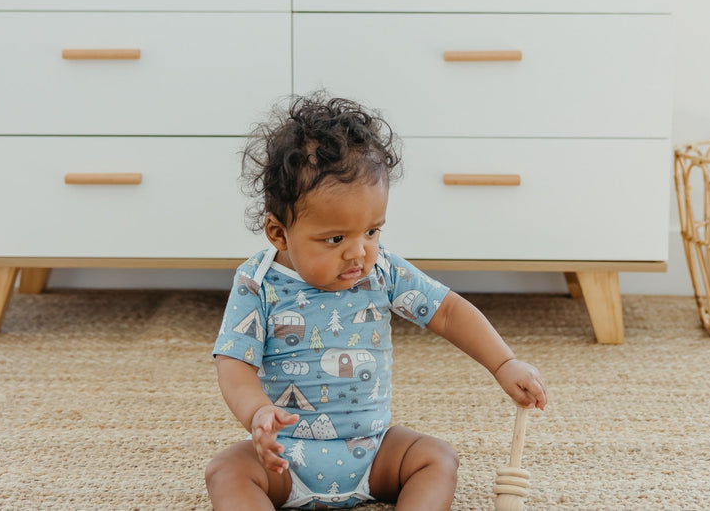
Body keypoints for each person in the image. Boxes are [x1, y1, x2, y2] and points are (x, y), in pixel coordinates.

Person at [205, 93, 547, 511]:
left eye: (371, 231)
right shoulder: (257, 283)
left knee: (437, 459)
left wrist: (503, 362)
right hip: (284, 459)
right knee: (225, 471)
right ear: (278, 234)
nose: (358, 253)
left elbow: (448, 311)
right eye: (335, 239)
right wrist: (257, 413)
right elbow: (233, 363)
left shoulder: (382, 270)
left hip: (372, 451)